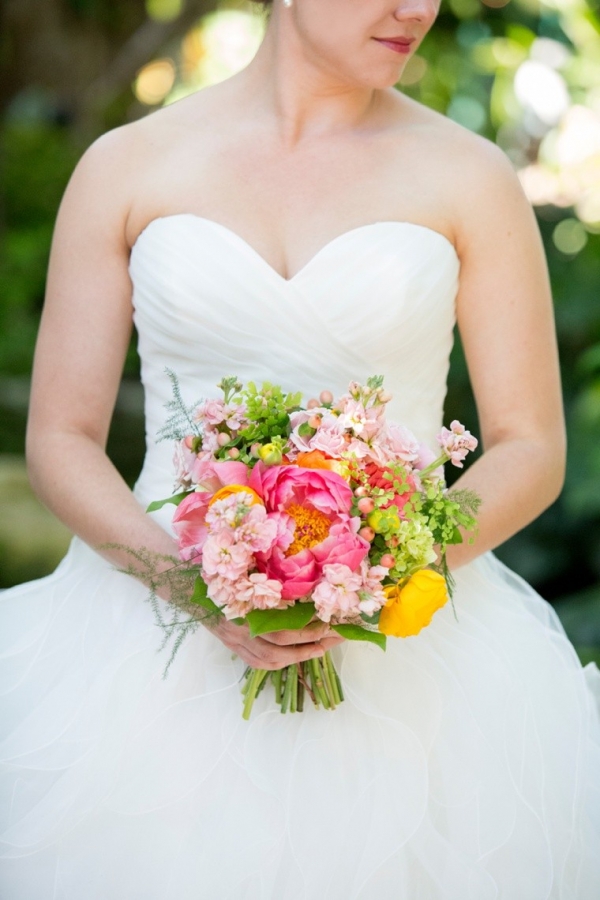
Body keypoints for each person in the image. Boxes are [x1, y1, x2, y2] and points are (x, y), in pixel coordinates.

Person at [1, 0, 599, 896]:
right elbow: (59, 436)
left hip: (416, 660)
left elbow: (530, 445)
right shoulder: (126, 164)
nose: (418, 9)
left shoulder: (469, 176)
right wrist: (190, 589)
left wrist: (376, 579)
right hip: (140, 643)